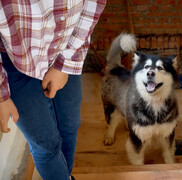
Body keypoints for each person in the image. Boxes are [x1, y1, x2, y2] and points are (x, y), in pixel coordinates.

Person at [0, 0, 106, 179]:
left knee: (70, 125)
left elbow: (93, 5)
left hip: (66, 48)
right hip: (15, 58)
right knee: (46, 146)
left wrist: (65, 64)